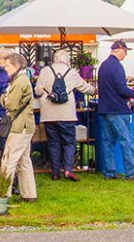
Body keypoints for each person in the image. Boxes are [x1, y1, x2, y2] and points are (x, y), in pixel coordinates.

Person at [34, 49, 95, 181]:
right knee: (69, 142)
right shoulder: (72, 72)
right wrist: (94, 90)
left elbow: (38, 91)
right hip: (66, 114)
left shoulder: (45, 71)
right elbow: (85, 88)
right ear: (67, 60)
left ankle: (55, 173)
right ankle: (68, 169)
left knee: (53, 143)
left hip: (49, 114)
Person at [97, 40, 134, 181]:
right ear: (119, 50)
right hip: (118, 109)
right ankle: (131, 173)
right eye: (125, 51)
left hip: (105, 108)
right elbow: (121, 89)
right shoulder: (117, 67)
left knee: (108, 142)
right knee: (127, 141)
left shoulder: (103, 66)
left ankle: (109, 172)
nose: (125, 55)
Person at [0, 53, 38, 201]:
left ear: (16, 66)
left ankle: (3, 193)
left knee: (8, 159)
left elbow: (11, 104)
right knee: (23, 161)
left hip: (19, 126)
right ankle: (29, 194)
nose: (5, 68)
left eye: (8, 65)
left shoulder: (19, 82)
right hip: (25, 125)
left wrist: (3, 97)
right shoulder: (21, 80)